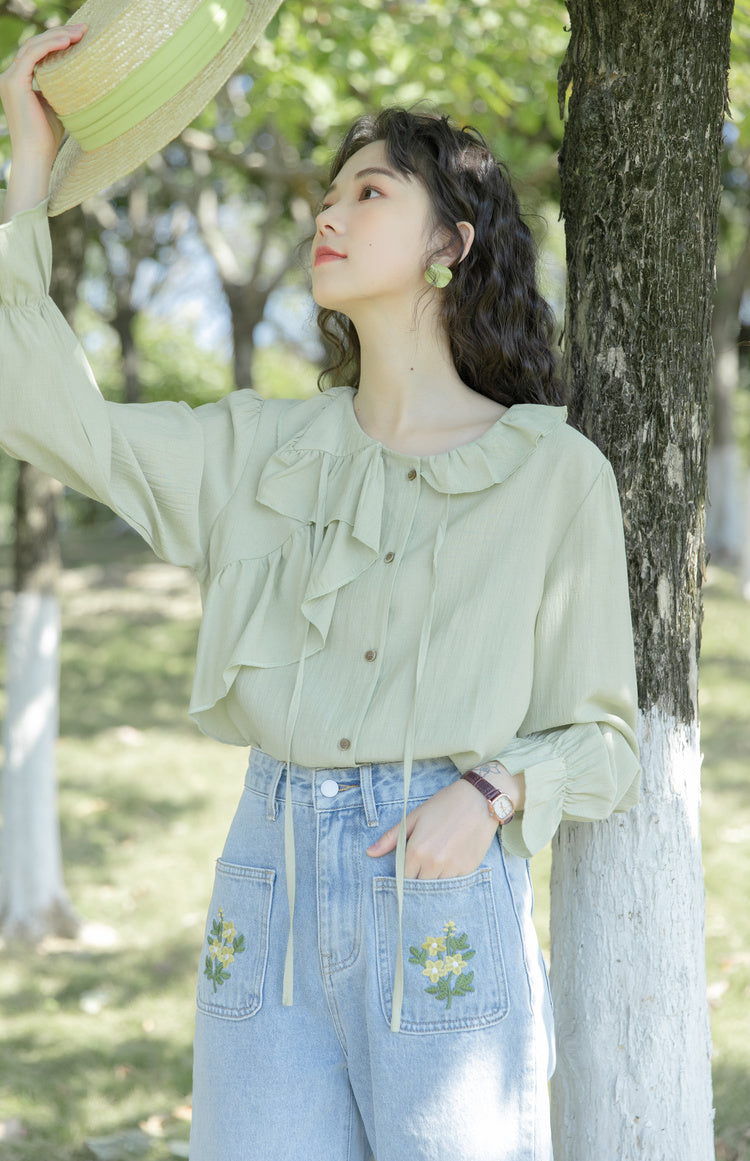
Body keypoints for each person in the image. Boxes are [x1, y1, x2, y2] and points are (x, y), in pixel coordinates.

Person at [0, 27, 640, 1161]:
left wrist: (490, 792)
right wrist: (31, 163)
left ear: (453, 239)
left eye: (370, 191)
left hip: (440, 888)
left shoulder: (552, 475)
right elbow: (49, 410)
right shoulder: (257, 451)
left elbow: (605, 738)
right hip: (269, 881)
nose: (326, 216)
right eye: (326, 195)